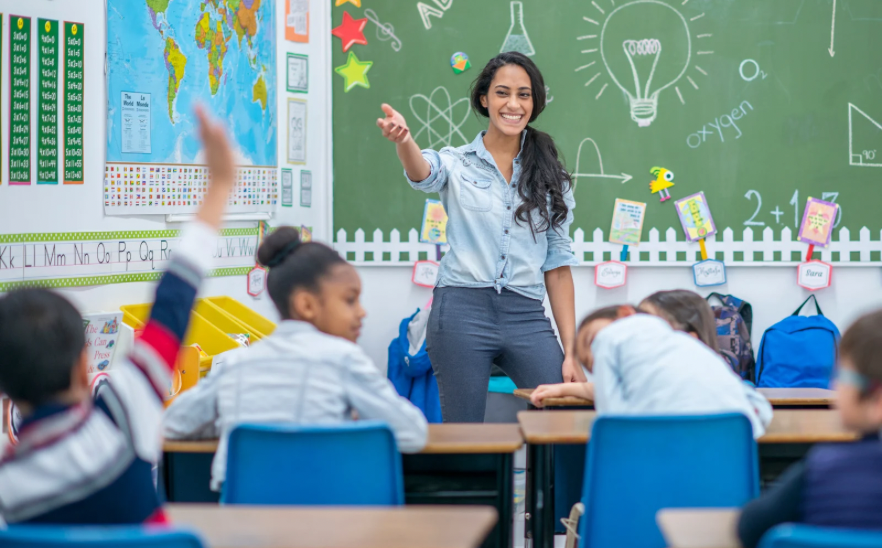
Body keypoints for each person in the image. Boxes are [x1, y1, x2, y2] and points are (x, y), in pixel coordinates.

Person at [0, 107, 235, 524]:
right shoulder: (124, 416)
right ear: (84, 365)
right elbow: (173, 302)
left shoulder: (10, 485)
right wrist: (219, 186)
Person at [377, 51, 581, 423]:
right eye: (503, 93)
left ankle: (553, 485)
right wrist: (403, 140)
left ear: (534, 103)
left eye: (524, 94)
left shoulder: (552, 176)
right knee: (464, 430)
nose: (513, 104)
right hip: (461, 310)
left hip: (526, 314)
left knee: (565, 412)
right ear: (484, 98)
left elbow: (558, 267)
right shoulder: (457, 162)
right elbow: (423, 171)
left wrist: (571, 350)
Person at [162, 227, 429, 492]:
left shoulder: (237, 363)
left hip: (244, 521)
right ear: (307, 305)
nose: (362, 312)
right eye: (350, 300)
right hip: (326, 514)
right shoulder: (344, 359)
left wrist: (229, 422)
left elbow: (172, 424)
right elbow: (413, 433)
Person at [738, 310, 882, 548]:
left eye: (842, 374)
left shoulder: (825, 466)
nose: (834, 384)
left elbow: (750, 527)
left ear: (877, 399)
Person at [530, 304, 768, 438]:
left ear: (625, 314)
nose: (594, 355)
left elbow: (613, 416)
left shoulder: (612, 339)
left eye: (592, 340)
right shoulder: (680, 344)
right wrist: (568, 388)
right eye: (590, 365)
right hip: (735, 436)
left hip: (673, 444)